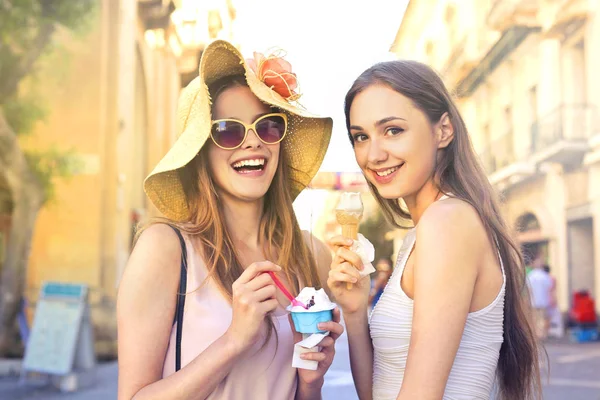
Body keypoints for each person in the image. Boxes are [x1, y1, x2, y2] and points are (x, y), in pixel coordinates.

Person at [117, 40, 342, 400]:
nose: (252, 143)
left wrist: (310, 383)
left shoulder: (310, 254)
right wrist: (234, 340)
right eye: (228, 131)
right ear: (201, 153)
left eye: (268, 127)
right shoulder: (166, 249)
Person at [327, 60, 541, 399]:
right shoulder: (425, 230)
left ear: (443, 130)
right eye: (361, 137)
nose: (374, 154)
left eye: (393, 130)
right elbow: (381, 391)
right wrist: (355, 311)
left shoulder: (447, 222)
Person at [527, 258, 553, 340]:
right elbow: (550, 289)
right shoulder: (545, 276)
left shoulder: (530, 275)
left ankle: (535, 334)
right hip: (544, 301)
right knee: (543, 318)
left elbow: (529, 290)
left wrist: (528, 300)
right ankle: (542, 334)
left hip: (533, 301)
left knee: (534, 319)